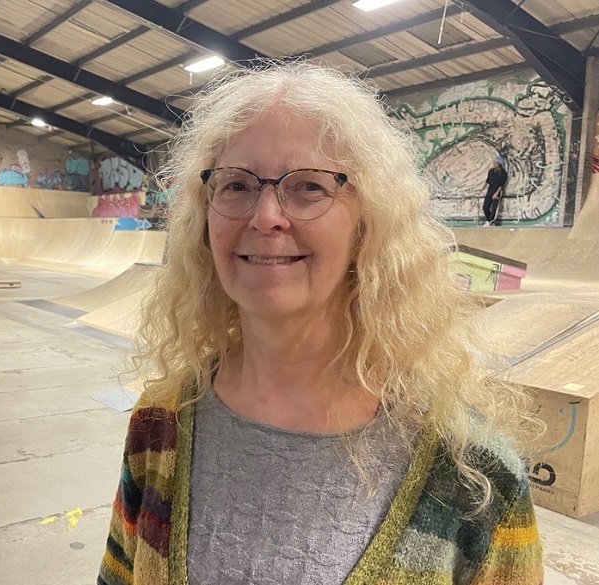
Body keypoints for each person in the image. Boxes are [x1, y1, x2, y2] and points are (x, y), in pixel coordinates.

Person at [98, 61, 542, 585]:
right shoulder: (159, 425)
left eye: (308, 186)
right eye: (236, 185)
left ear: (367, 225)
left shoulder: (471, 472)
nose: (265, 216)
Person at [482, 156, 508, 226]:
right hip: (490, 189)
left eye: (495, 162)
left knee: (494, 208)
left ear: (499, 164)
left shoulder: (503, 173)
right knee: (485, 206)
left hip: (497, 190)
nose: (494, 164)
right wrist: (481, 189)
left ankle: (491, 221)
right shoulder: (491, 171)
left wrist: (496, 193)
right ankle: (489, 220)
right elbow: (487, 181)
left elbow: (501, 185)